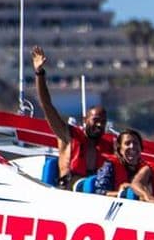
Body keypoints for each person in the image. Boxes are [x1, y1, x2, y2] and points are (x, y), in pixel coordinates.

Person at [32, 46, 111, 189]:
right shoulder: (66, 135)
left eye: (103, 122)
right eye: (96, 120)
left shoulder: (108, 148)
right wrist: (39, 73)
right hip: (67, 195)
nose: (100, 125)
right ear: (84, 120)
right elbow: (47, 105)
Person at [93, 129, 152, 200]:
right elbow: (99, 192)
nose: (132, 146)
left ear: (141, 148)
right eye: (127, 143)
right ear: (120, 149)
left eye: (135, 143)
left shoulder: (148, 170)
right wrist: (125, 194)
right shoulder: (109, 166)